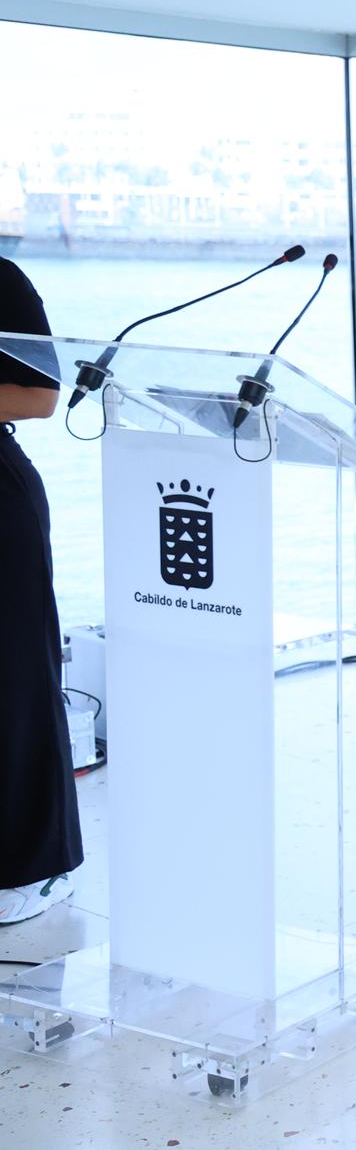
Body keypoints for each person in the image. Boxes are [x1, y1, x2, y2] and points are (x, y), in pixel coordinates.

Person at [0, 256, 84, 926]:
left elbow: (41, 395)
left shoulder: (3, 280)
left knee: (17, 680)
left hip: (0, 501)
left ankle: (37, 863)